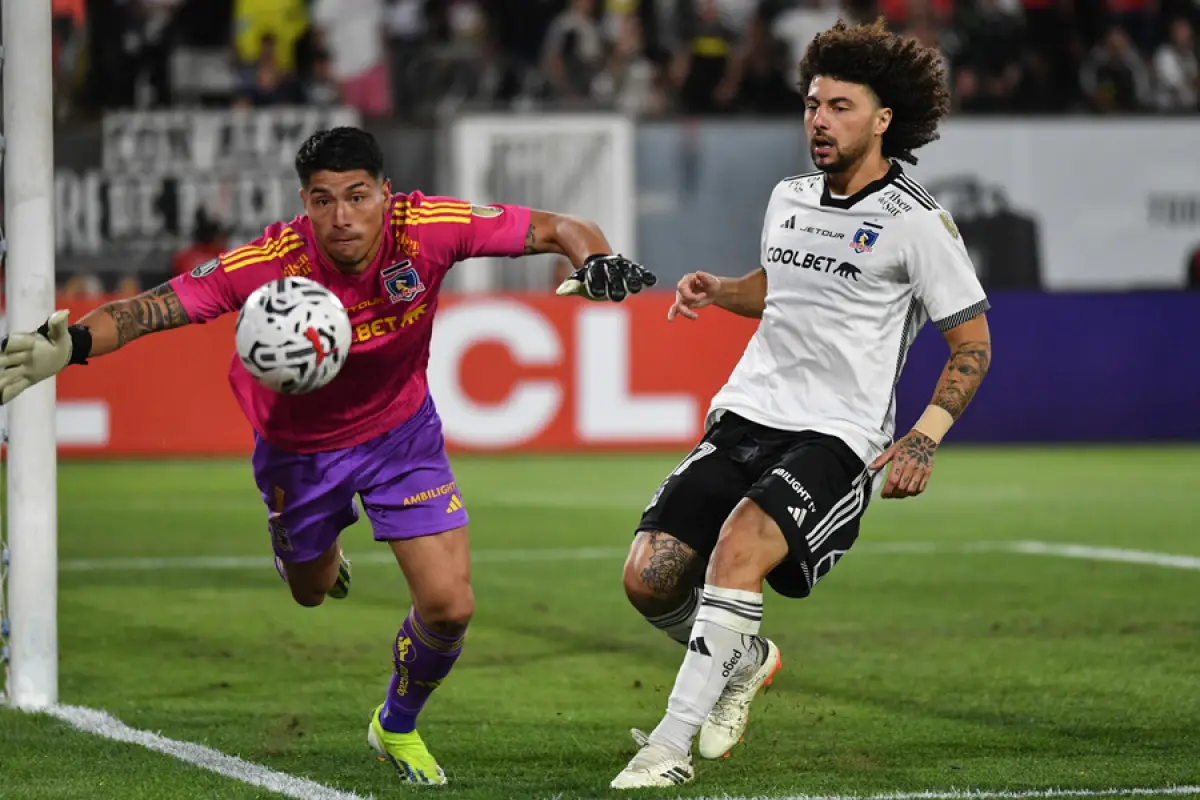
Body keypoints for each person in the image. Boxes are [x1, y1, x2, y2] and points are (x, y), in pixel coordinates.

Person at [0, 126, 656, 786]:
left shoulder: (428, 227)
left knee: (450, 605)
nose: (341, 217)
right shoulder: (270, 261)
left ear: (385, 195)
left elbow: (559, 226)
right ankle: (320, 556)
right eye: (322, 200)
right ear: (304, 203)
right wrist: (74, 344)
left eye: (356, 196)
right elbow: (156, 307)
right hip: (299, 454)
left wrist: (593, 259)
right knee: (311, 593)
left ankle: (396, 723)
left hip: (402, 437)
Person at [611, 19, 992, 789]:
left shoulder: (917, 224)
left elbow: (973, 346)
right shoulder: (788, 197)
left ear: (883, 120)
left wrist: (923, 437)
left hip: (837, 435)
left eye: (840, 106)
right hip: (748, 412)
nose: (819, 120)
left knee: (737, 554)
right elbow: (780, 287)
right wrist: (722, 290)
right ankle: (743, 657)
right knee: (648, 578)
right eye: (813, 104)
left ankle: (668, 747)